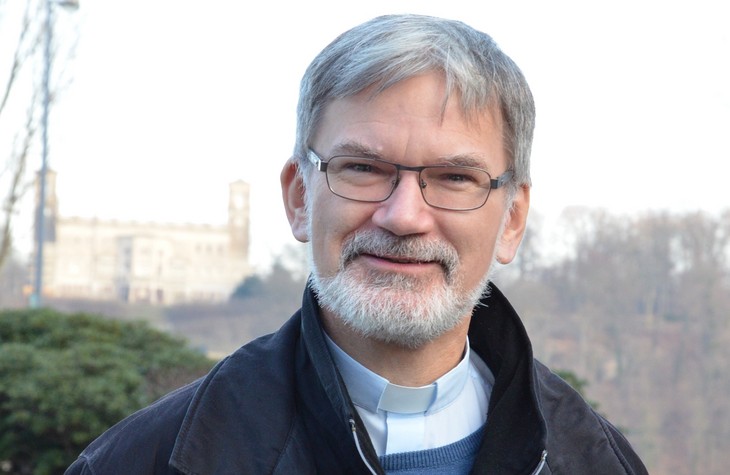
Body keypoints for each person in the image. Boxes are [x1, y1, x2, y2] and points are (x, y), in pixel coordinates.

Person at [66, 14, 648, 475]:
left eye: (454, 178)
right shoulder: (139, 463)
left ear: (513, 219)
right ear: (299, 197)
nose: (404, 217)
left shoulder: (601, 463)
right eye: (363, 167)